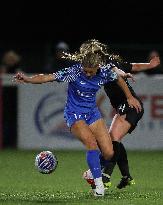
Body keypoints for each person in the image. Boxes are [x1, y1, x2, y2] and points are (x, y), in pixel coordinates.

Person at [13, 46, 141, 197]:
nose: (87, 74)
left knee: (108, 153)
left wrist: (130, 97)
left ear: (97, 67)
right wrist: (28, 79)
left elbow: (118, 78)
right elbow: (47, 77)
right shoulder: (73, 72)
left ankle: (90, 174)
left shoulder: (104, 72)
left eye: (90, 72)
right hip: (74, 114)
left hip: (92, 113)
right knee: (92, 144)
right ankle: (99, 186)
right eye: (85, 70)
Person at [80, 39, 160, 190]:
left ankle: (106, 176)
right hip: (124, 106)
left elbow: (117, 72)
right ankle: (126, 176)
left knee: (113, 139)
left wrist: (126, 77)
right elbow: (134, 66)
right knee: (115, 139)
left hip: (130, 105)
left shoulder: (106, 65)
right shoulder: (106, 63)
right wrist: (149, 65)